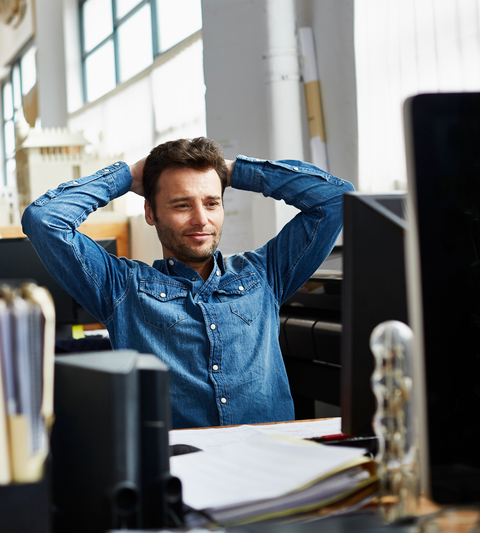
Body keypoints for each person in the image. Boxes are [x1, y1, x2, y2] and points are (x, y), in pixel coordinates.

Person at [21, 137, 354, 429]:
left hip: (271, 463)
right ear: (151, 213)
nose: (201, 219)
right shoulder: (121, 287)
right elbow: (45, 220)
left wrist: (234, 171)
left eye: (212, 203)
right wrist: (129, 175)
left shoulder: (264, 273)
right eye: (182, 205)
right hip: (178, 470)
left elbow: (336, 199)